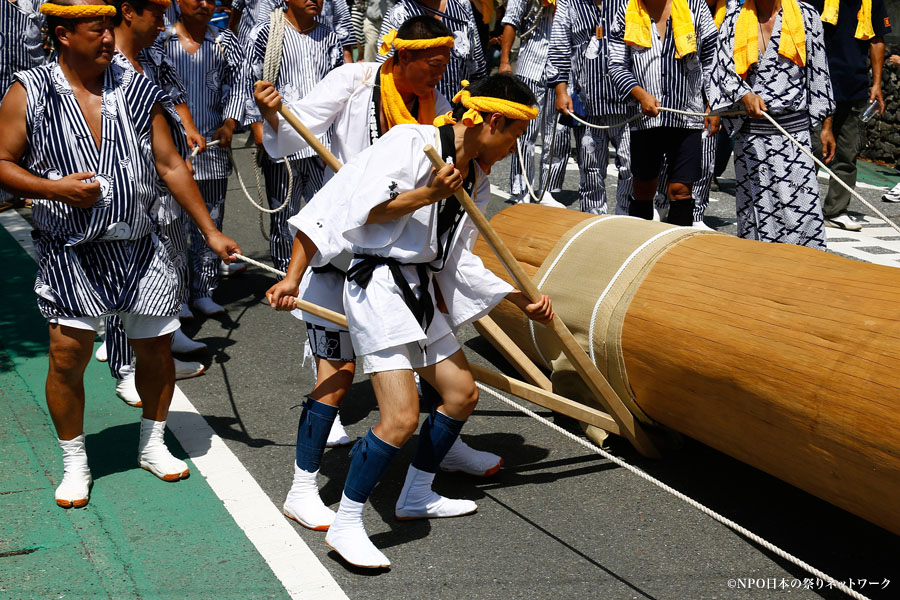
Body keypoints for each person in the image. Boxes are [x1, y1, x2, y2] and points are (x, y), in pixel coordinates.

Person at [264, 74, 553, 568]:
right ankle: (346, 523)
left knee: (461, 394)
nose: (513, 149)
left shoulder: (477, 178)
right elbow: (357, 210)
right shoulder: (411, 143)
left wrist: (513, 296)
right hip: (376, 286)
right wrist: (429, 195)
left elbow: (456, 256)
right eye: (515, 137)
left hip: (420, 289)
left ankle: (416, 493)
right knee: (393, 415)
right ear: (495, 122)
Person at [255, 16, 506, 531]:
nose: (437, 78)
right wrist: (273, 115)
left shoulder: (443, 116)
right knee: (338, 376)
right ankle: (303, 489)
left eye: (443, 68)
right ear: (400, 56)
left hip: (409, 257)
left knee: (446, 375)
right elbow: (289, 136)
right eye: (429, 66)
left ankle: (437, 457)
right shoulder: (355, 82)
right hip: (340, 242)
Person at [0, 0, 241, 508]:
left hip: (141, 243)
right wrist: (53, 188)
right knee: (68, 357)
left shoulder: (135, 87)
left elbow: (170, 163)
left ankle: (152, 443)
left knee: (156, 348)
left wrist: (210, 231)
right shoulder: (30, 88)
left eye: (109, 29)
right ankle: (75, 460)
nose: (109, 39)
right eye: (96, 30)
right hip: (71, 249)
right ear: (63, 35)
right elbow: (1, 161)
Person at [710, 0, 835, 248]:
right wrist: (744, 94)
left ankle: (805, 272)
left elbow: (819, 71)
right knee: (756, 215)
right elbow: (721, 69)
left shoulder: (806, 15)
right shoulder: (734, 17)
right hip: (752, 137)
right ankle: (760, 276)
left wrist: (826, 126)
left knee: (801, 214)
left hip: (794, 135)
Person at [239, 0, 344, 274]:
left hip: (323, 144)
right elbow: (248, 82)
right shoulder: (263, 33)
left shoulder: (329, 36)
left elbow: (339, 86)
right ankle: (287, 277)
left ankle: (325, 275)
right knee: (285, 217)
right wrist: (258, 129)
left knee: (325, 214)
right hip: (281, 143)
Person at [161, 0, 244, 315]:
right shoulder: (162, 42)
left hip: (212, 145)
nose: (204, 4)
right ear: (178, 2)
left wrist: (230, 123)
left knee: (212, 218)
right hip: (171, 151)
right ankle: (177, 296)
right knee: (174, 225)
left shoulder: (225, 42)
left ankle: (204, 291)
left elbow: (239, 85)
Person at [608, 0, 719, 225]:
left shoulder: (695, 7)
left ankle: (678, 250)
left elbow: (712, 59)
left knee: (681, 190)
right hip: (645, 119)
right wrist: (639, 94)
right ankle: (640, 249)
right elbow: (616, 64)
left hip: (688, 116)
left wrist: (714, 103)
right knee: (643, 188)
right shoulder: (627, 11)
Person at [808, 0, 891, 231]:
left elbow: (876, 39)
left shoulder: (870, 2)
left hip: (853, 85)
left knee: (847, 152)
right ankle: (799, 204)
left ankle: (836, 209)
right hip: (817, 84)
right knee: (812, 149)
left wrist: (876, 84)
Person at [548, 0, 634, 215]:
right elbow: (559, 48)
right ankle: (593, 220)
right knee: (591, 170)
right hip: (587, 103)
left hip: (628, 103)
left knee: (632, 168)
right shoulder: (570, 4)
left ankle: (626, 218)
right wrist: (561, 92)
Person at [499, 0, 569, 208]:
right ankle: (522, 188)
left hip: (562, 68)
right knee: (525, 132)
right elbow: (511, 21)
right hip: (531, 65)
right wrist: (504, 61)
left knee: (557, 132)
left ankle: (548, 189)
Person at [377, 0, 486, 103]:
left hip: (460, 113)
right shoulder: (398, 15)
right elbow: (385, 76)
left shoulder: (462, 5)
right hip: (419, 115)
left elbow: (478, 67)